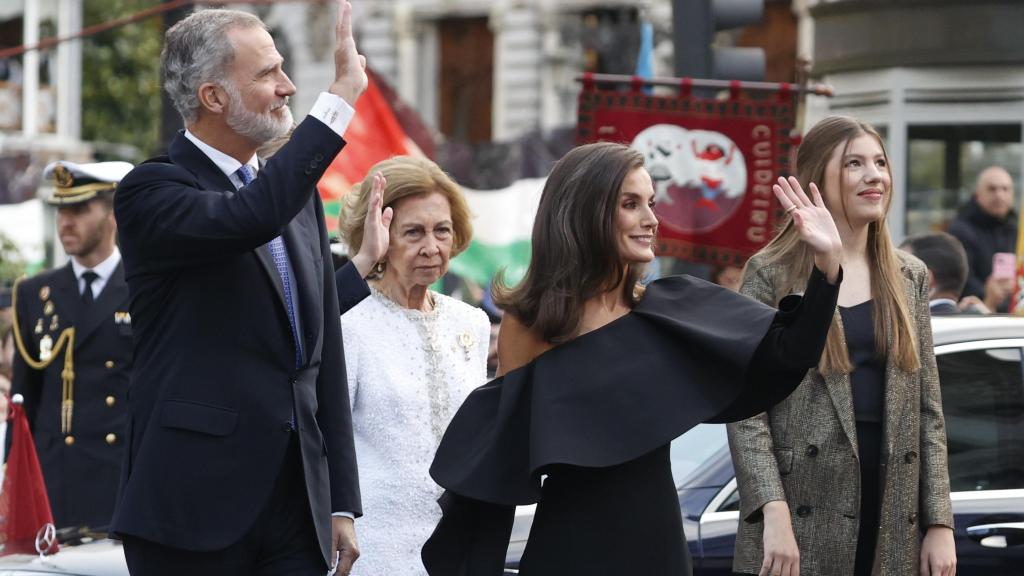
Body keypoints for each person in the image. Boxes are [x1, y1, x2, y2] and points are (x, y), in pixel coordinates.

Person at [422, 141, 844, 575]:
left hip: (657, 549)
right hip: (566, 551)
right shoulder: (532, 322)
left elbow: (789, 353)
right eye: (630, 204)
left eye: (651, 203)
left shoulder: (672, 310)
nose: (651, 219)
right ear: (586, 212)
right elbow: (501, 462)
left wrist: (827, 267)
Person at [110, 3, 368, 575]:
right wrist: (339, 101)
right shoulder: (151, 190)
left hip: (296, 506)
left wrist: (341, 499)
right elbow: (249, 217)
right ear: (213, 97)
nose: (288, 86)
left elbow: (322, 360)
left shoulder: (292, 199)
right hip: (192, 508)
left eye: (282, 68)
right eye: (266, 74)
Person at [729, 116, 957, 576]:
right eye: (854, 163)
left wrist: (939, 522)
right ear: (818, 179)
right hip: (799, 506)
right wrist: (771, 510)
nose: (875, 175)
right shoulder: (771, 271)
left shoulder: (909, 275)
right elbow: (745, 407)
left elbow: (927, 409)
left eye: (879, 162)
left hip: (892, 504)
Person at [337, 157, 490, 574]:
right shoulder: (348, 321)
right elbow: (326, 440)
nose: (432, 246)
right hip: (371, 541)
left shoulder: (471, 322)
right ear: (379, 236)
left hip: (457, 538)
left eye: (442, 230)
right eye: (413, 232)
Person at [9, 160, 133, 530]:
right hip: (53, 480)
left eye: (79, 209)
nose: (66, 222)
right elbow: (24, 398)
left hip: (118, 479)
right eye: (62, 210)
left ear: (113, 214)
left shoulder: (143, 288)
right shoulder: (34, 293)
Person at [948, 166, 1017, 312]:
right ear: (977, 195)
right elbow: (961, 280)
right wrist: (988, 293)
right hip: (975, 314)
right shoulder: (960, 230)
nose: (999, 195)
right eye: (992, 189)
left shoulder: (1016, 229)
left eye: (1005, 189)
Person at [901, 232, 986, 315]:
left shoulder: (910, 327)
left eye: (900, 271)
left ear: (925, 280)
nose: (892, 280)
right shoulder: (979, 324)